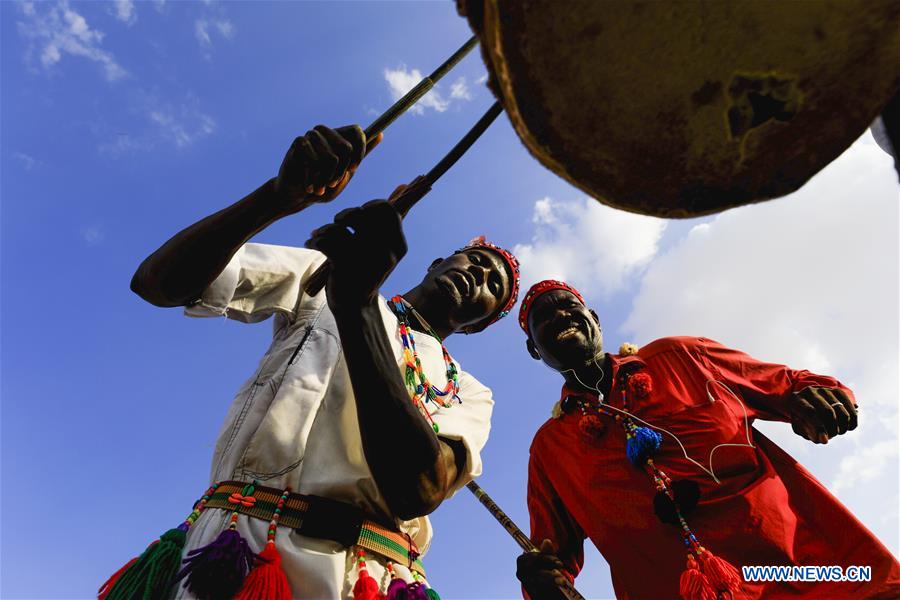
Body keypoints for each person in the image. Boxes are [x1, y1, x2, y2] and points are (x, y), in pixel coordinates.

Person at [102, 125, 520, 600]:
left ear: (478, 325)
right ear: (438, 262)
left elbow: (418, 490)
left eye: (494, 285)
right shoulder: (322, 278)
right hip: (245, 555)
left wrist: (358, 306)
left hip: (373, 577)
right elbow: (158, 283)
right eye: (475, 260)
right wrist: (278, 197)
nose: (479, 275)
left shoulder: (469, 390)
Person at [514, 279, 900, 599]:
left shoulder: (683, 355)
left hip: (817, 579)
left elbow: (793, 385)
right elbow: (553, 561)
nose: (559, 315)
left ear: (594, 319)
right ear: (534, 350)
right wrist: (540, 582)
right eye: (542, 318)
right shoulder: (550, 448)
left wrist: (821, 400)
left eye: (567, 305)